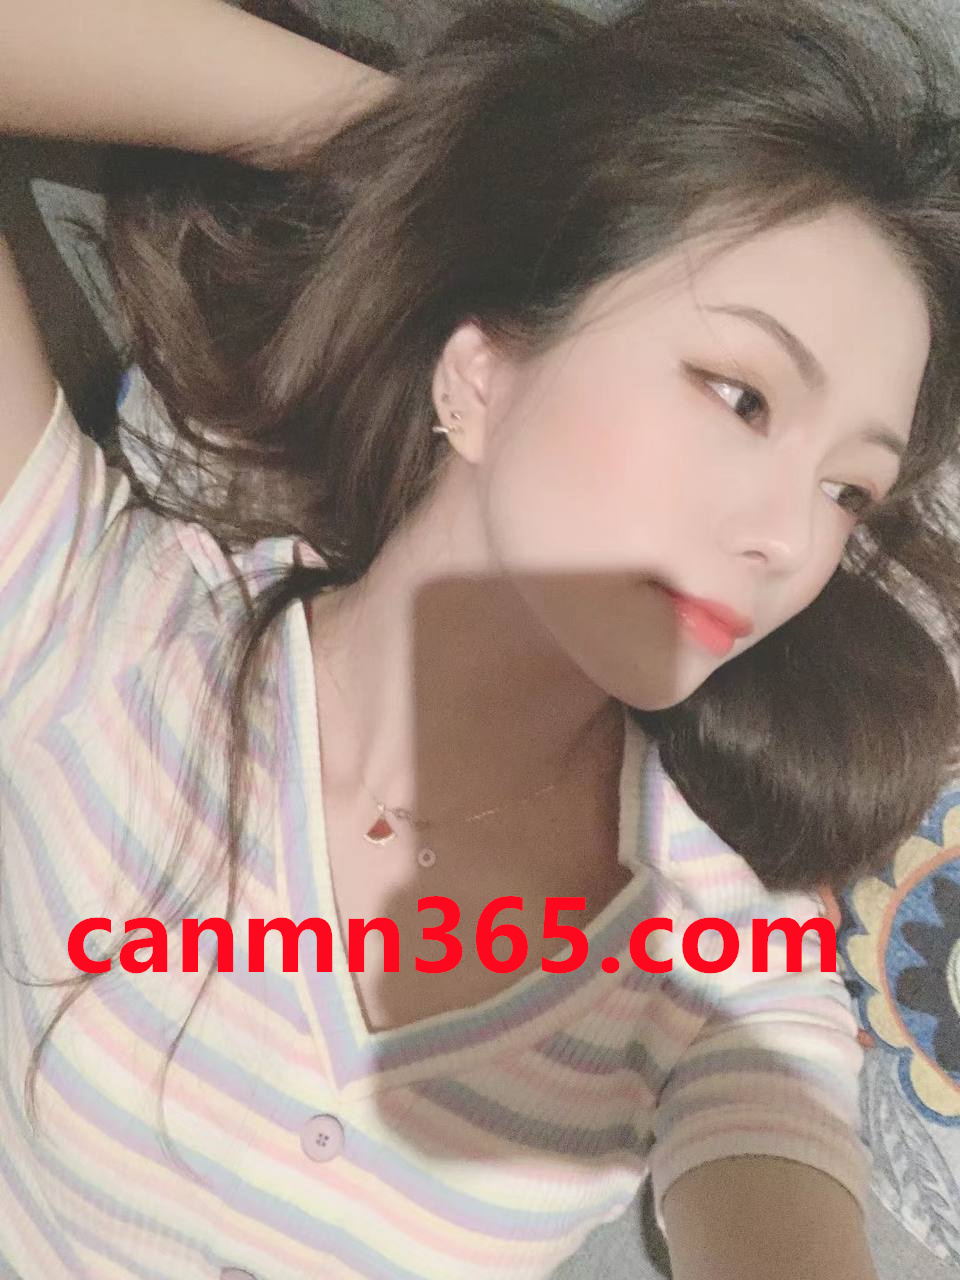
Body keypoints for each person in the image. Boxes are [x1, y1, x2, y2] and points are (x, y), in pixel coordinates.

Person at [1, 0, 958, 1277]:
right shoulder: (102, 625)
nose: (791, 537)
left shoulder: (715, 952)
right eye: (742, 396)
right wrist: (445, 169)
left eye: (850, 491)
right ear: (481, 372)